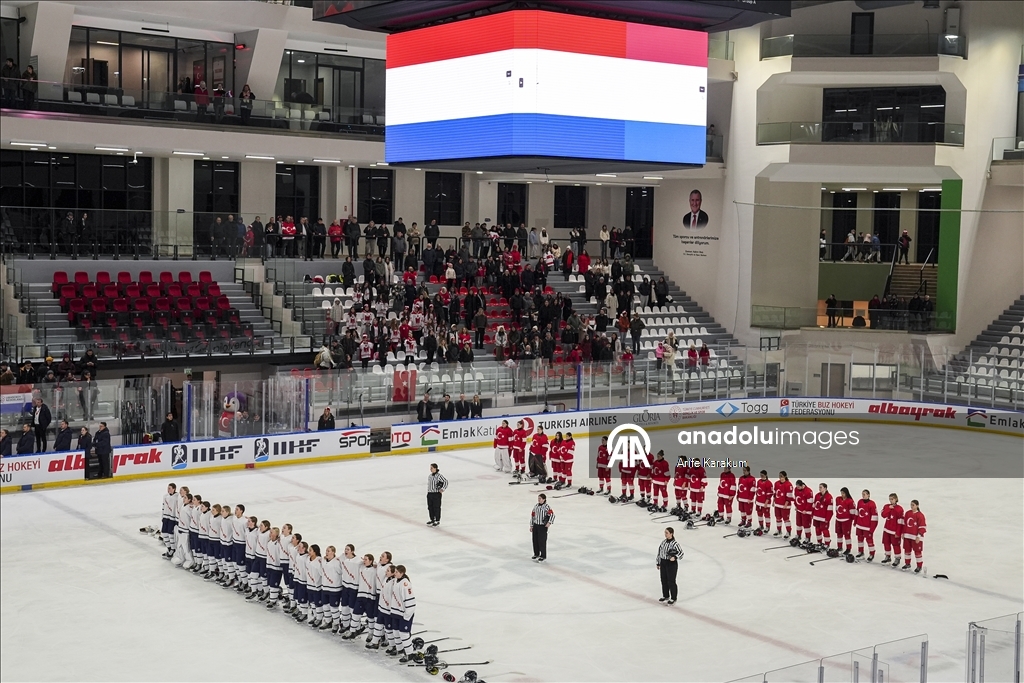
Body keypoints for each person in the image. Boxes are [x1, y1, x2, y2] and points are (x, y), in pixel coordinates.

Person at [656, 527, 682, 605]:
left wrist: (675, 557)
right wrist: (658, 563)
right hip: (663, 562)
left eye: (667, 533)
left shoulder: (675, 544)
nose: (665, 534)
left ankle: (673, 598)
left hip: (671, 564)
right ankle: (666, 595)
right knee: (663, 580)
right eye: (665, 533)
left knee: (671, 581)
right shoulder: (663, 542)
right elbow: (659, 553)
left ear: (671, 534)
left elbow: (681, 553)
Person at [900, 500, 926, 572]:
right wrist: (903, 533)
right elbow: (904, 524)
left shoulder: (920, 515)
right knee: (907, 550)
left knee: (917, 552)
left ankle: (919, 566)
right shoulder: (907, 513)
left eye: (913, 505)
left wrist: (919, 536)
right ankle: (907, 564)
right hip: (907, 536)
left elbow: (922, 527)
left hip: (916, 537)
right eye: (911, 505)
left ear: (917, 506)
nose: (911, 506)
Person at [880, 493, 905, 566]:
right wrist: (888, 508)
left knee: (896, 545)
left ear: (896, 499)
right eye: (890, 499)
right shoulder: (886, 506)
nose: (891, 501)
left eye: (892, 499)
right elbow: (883, 515)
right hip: (887, 529)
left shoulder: (899, 509)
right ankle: (887, 556)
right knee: (886, 543)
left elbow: (901, 522)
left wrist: (898, 532)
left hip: (894, 531)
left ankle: (897, 558)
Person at [530, 493, 555, 562]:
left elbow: (552, 515)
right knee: (535, 540)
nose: (539, 500)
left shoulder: (546, 507)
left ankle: (543, 555)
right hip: (536, 525)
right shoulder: (536, 506)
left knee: (542, 541)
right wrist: (531, 525)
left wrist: (549, 522)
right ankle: (536, 553)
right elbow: (533, 516)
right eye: (538, 498)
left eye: (540, 498)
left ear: (544, 499)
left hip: (542, 526)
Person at [855, 489, 878, 561]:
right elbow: (857, 512)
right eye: (862, 494)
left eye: (864, 494)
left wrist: (872, 528)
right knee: (860, 539)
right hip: (859, 525)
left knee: (869, 540)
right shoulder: (860, 502)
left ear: (868, 495)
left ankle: (872, 554)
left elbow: (874, 517)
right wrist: (855, 521)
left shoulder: (872, 504)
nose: (863, 495)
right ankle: (861, 552)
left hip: (867, 527)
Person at [834, 486, 856, 555]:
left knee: (847, 535)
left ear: (846, 493)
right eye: (841, 493)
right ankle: (839, 547)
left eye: (843, 493)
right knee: (839, 534)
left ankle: (848, 548)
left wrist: (851, 520)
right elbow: (836, 508)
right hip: (838, 519)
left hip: (846, 521)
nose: (842, 494)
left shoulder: (850, 501)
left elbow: (852, 512)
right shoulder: (838, 499)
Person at [811, 483, 833, 549]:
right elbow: (814, 505)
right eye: (819, 487)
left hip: (824, 518)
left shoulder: (829, 497)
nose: (819, 488)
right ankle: (819, 542)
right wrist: (812, 514)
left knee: (825, 530)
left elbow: (830, 510)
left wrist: (828, 518)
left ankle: (827, 543)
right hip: (816, 516)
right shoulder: (817, 495)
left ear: (825, 488)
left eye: (821, 487)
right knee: (817, 530)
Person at [426, 463, 448, 527]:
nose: (430, 469)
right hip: (430, 493)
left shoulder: (439, 476)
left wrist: (442, 489)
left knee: (436, 507)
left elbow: (445, 481)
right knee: (430, 507)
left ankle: (437, 520)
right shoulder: (430, 476)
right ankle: (432, 519)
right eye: (430, 468)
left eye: (431, 468)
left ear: (435, 468)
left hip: (436, 494)